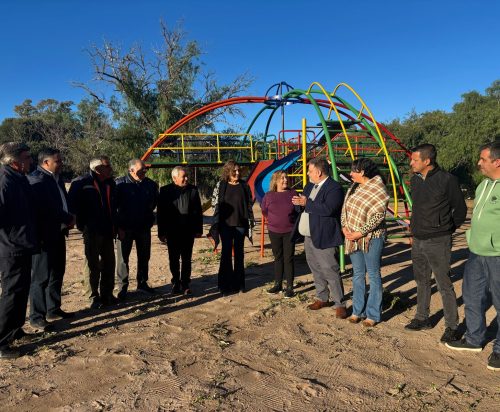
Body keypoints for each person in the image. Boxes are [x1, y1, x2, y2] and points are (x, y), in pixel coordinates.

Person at [446, 140, 500, 371]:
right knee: (472, 296)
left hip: (497, 254)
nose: (479, 163)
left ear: (497, 162)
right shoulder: (483, 186)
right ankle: (473, 338)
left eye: (483, 159)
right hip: (477, 252)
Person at [405, 143, 467, 343]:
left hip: (438, 240)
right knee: (421, 281)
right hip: (418, 239)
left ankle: (452, 326)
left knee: (444, 284)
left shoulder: (447, 180)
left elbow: (460, 210)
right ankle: (422, 318)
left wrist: (446, 229)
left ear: (427, 161)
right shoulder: (415, 180)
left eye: (415, 159)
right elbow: (417, 208)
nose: (411, 163)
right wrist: (414, 229)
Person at [291, 157, 346, 318]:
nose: (307, 173)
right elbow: (304, 206)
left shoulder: (334, 188)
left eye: (310, 171)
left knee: (330, 269)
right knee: (315, 267)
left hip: (324, 235)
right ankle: (322, 297)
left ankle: (340, 304)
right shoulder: (309, 186)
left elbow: (329, 209)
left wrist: (306, 203)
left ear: (319, 172)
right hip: (309, 235)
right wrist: (297, 203)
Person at [28, 149, 75, 331]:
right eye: (58, 161)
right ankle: (36, 316)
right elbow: (48, 208)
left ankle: (53, 309)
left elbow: (62, 202)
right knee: (41, 277)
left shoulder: (56, 178)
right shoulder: (37, 180)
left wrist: (69, 217)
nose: (61, 163)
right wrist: (67, 217)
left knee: (57, 272)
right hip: (43, 237)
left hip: (58, 232)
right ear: (46, 163)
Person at [341, 158, 389, 327]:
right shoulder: (353, 187)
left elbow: (378, 215)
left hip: (371, 237)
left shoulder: (378, 188)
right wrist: (345, 227)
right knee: (358, 274)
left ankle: (373, 314)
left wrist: (360, 232)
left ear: (362, 172)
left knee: (374, 274)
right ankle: (357, 311)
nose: (350, 174)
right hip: (352, 237)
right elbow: (345, 209)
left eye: (353, 171)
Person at [0, 142, 37, 359]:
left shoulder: (19, 178)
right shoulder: (4, 181)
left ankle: (15, 330)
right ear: (14, 161)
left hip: (22, 245)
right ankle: (2, 342)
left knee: (22, 291)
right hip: (11, 247)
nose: (30, 160)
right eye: (26, 157)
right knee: (12, 294)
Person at [68, 156, 118, 309]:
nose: (110, 168)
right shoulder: (81, 183)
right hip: (91, 231)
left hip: (108, 229)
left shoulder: (110, 183)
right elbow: (72, 206)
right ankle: (93, 296)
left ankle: (107, 294)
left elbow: (114, 206)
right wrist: (82, 225)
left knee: (109, 263)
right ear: (97, 169)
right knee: (92, 264)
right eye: (107, 166)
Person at [208, 160, 255, 295]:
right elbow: (214, 204)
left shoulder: (244, 186)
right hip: (226, 225)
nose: (237, 173)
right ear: (228, 172)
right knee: (226, 254)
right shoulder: (221, 185)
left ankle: (239, 284)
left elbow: (249, 204)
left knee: (239, 255)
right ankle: (224, 285)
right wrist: (217, 221)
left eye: (238, 170)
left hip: (241, 225)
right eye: (234, 171)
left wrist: (249, 221)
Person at [115, 159, 158, 299]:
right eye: (140, 170)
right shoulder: (119, 184)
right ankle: (123, 287)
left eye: (145, 169)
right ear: (131, 170)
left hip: (143, 227)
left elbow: (154, 203)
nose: (144, 172)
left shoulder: (151, 185)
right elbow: (114, 207)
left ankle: (142, 283)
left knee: (144, 256)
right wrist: (118, 227)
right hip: (124, 228)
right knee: (123, 259)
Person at [157, 166, 202, 295]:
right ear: (174, 178)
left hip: (188, 231)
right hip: (172, 232)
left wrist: (198, 229)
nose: (186, 178)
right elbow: (161, 213)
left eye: (187, 176)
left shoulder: (193, 190)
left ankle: (185, 283)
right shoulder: (165, 191)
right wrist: (161, 232)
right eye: (183, 176)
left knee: (187, 259)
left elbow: (198, 211)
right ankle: (176, 282)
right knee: (174, 259)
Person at [261, 170, 297, 298]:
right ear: (275, 181)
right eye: (282, 178)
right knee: (278, 258)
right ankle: (278, 284)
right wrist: (274, 221)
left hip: (289, 231)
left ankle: (290, 287)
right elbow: (264, 211)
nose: (285, 180)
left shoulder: (293, 193)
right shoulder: (269, 196)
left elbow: (297, 211)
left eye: (286, 177)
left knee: (289, 258)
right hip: (274, 231)